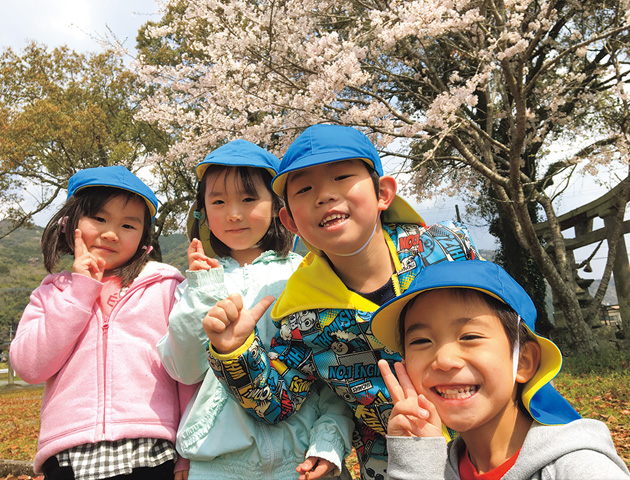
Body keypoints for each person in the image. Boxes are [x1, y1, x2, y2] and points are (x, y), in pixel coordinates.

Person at [201, 124, 482, 478]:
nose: (324, 196)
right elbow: (275, 403)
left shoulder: (446, 251)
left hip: (495, 445)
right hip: (396, 465)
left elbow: (509, 335)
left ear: (383, 192)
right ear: (289, 221)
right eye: (304, 188)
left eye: (342, 177)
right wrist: (235, 351)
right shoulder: (300, 314)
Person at [157, 139, 354, 480]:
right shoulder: (194, 285)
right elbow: (185, 369)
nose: (233, 214)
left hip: (302, 462)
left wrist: (330, 439)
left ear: (279, 207)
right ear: (203, 210)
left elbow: (334, 366)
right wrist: (204, 292)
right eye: (218, 201)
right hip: (218, 465)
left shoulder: (307, 273)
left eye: (249, 199)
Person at [10, 166, 195, 480]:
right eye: (99, 218)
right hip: (69, 453)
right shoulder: (51, 293)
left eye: (127, 225)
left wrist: (187, 455)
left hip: (150, 450)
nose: (111, 233)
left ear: (143, 238)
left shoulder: (165, 287)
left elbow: (186, 372)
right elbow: (29, 366)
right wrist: (79, 291)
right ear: (70, 223)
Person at [372, 260, 630, 480]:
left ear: (524, 361)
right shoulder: (427, 466)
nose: (444, 359)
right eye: (421, 341)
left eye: (470, 336)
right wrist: (416, 459)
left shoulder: (578, 468)